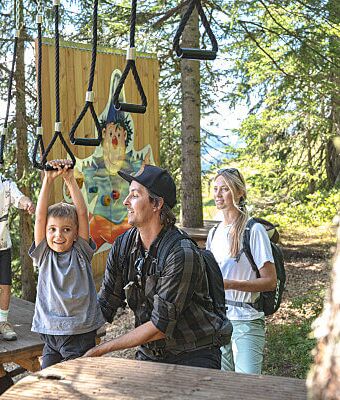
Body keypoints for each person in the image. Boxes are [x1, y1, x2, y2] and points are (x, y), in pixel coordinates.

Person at [84, 164, 230, 369]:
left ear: (157, 204)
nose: (126, 201)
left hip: (195, 354)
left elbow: (160, 326)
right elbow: (106, 303)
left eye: (134, 195)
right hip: (150, 353)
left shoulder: (181, 253)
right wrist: (70, 333)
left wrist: (102, 349)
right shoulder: (123, 246)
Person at [29, 159, 105, 369]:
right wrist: (48, 180)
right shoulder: (44, 254)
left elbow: (81, 214)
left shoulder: (80, 251)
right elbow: (40, 216)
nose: (58, 235)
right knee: (49, 382)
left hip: (79, 332)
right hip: (51, 333)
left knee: (78, 382)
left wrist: (70, 180)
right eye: (52, 229)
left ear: (75, 233)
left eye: (66, 229)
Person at [206, 167, 277, 374]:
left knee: (247, 387)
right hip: (219, 321)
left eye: (225, 189)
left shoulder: (253, 230)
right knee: (223, 387)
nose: (218, 194)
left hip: (247, 321)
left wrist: (230, 284)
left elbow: (270, 281)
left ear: (239, 193)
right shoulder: (214, 233)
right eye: (215, 188)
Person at [0, 174, 35, 341]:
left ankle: (3, 322)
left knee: (5, 285)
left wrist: (27, 203)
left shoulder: (5, 184)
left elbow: (19, 197)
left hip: (2, 245)